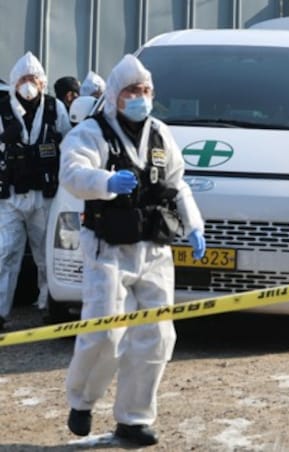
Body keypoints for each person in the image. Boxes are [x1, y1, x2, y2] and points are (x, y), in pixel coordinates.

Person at [60, 54, 206, 446]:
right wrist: (105, 181)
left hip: (154, 247)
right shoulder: (92, 132)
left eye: (145, 91)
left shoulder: (160, 133)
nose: (139, 97)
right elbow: (72, 174)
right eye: (131, 91)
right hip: (108, 246)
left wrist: (193, 225)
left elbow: (178, 184)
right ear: (114, 95)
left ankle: (134, 418)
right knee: (106, 333)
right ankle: (82, 400)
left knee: (158, 336)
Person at [0, 52, 71, 330]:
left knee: (47, 255)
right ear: (15, 82)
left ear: (43, 83)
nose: (30, 84)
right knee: (6, 253)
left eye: (35, 79)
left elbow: (69, 144)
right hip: (11, 197)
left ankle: (48, 306)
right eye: (25, 79)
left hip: (45, 196)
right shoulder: (3, 110)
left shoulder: (55, 109)